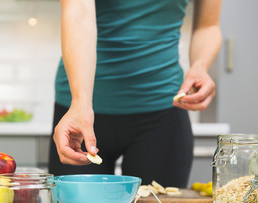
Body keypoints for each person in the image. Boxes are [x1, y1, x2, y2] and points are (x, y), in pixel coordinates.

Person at [48, 0, 222, 188]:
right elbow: (78, 12)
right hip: (79, 113)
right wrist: (81, 102)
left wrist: (200, 66)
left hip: (162, 112)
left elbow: (208, 25)